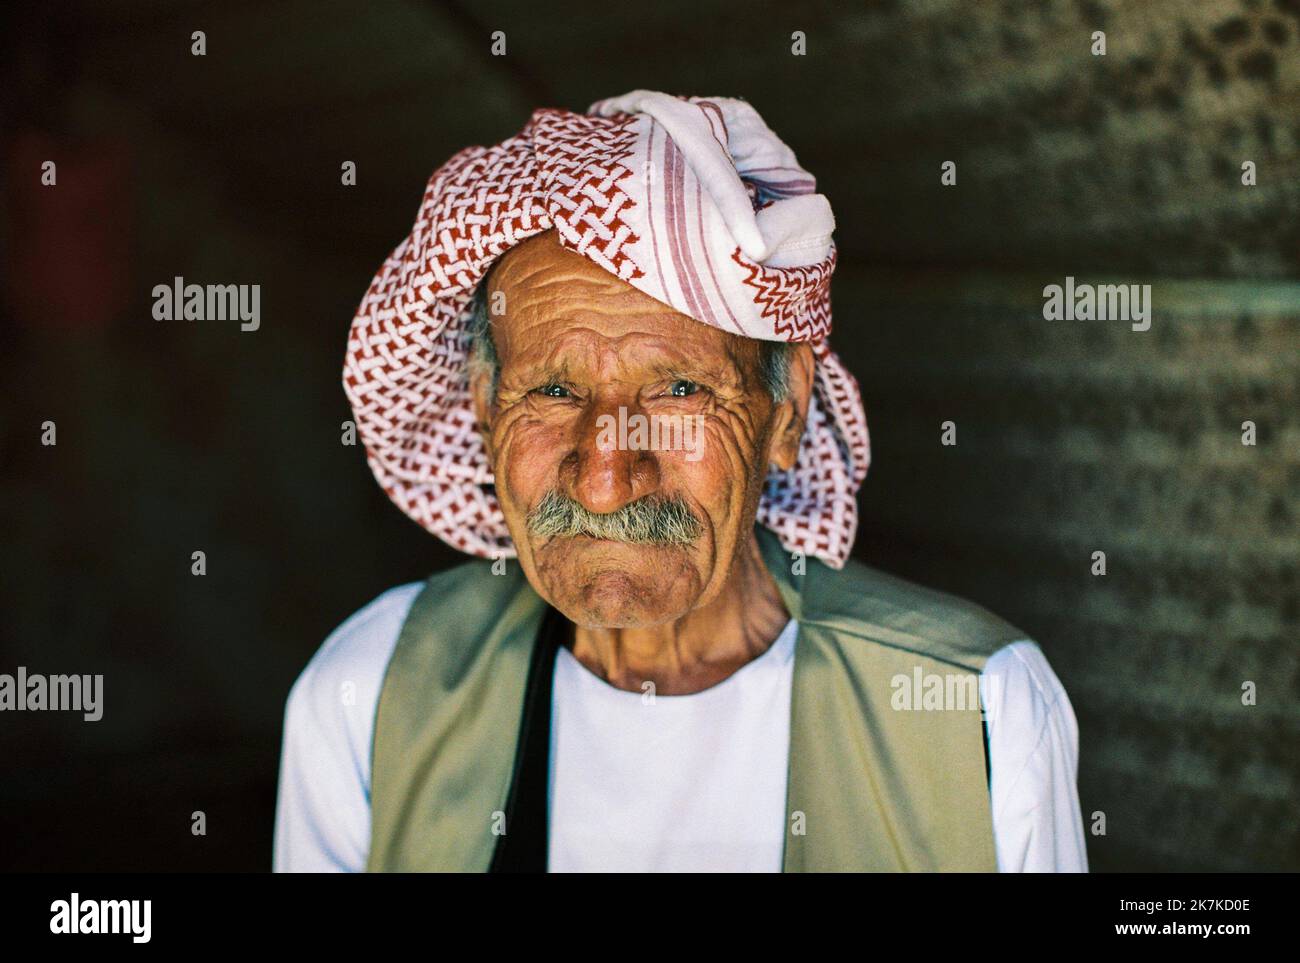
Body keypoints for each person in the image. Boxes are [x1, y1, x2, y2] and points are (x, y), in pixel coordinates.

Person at [274, 90, 1086, 872]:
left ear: (787, 409)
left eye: (677, 391)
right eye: (552, 393)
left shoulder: (977, 710)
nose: (603, 481)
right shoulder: (372, 689)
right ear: (485, 408)